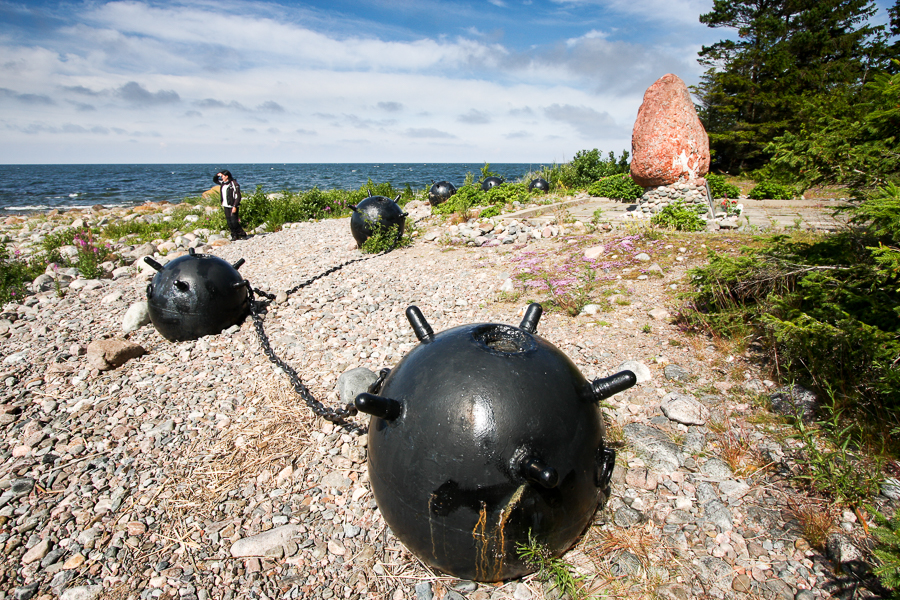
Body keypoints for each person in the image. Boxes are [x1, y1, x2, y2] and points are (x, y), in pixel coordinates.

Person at [216, 170, 248, 241]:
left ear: (227, 176)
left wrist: (235, 206)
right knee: (229, 222)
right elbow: (215, 180)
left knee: (234, 221)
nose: (221, 178)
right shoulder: (223, 183)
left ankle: (242, 234)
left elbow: (238, 196)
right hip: (226, 205)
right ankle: (234, 235)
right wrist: (217, 175)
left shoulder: (234, 184)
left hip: (233, 205)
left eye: (222, 176)